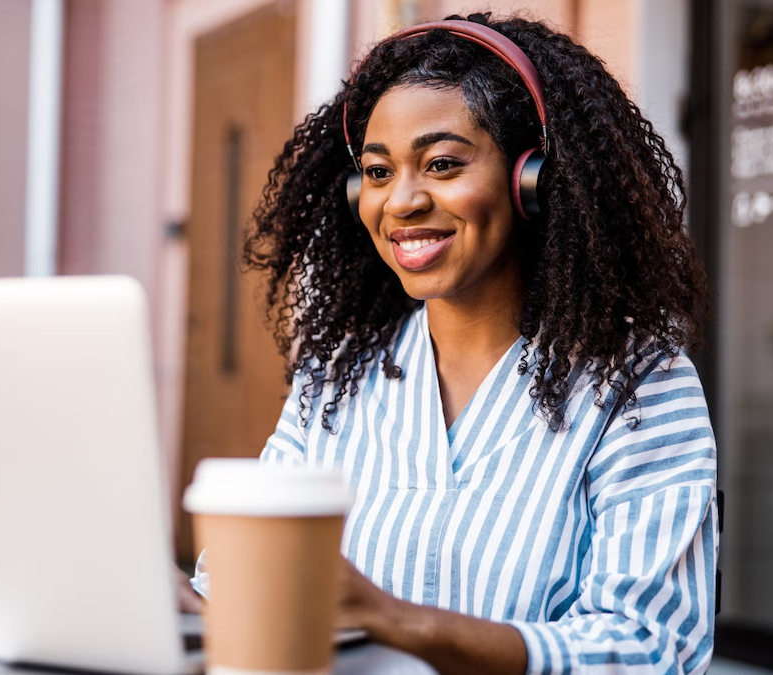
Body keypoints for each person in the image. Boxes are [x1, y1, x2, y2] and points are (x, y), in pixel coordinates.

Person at [188, 12, 718, 675]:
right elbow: (239, 588)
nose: (401, 201)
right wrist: (175, 600)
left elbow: (650, 646)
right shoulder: (335, 377)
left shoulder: (638, 385)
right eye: (378, 173)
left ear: (532, 179)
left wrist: (402, 621)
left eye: (441, 163)